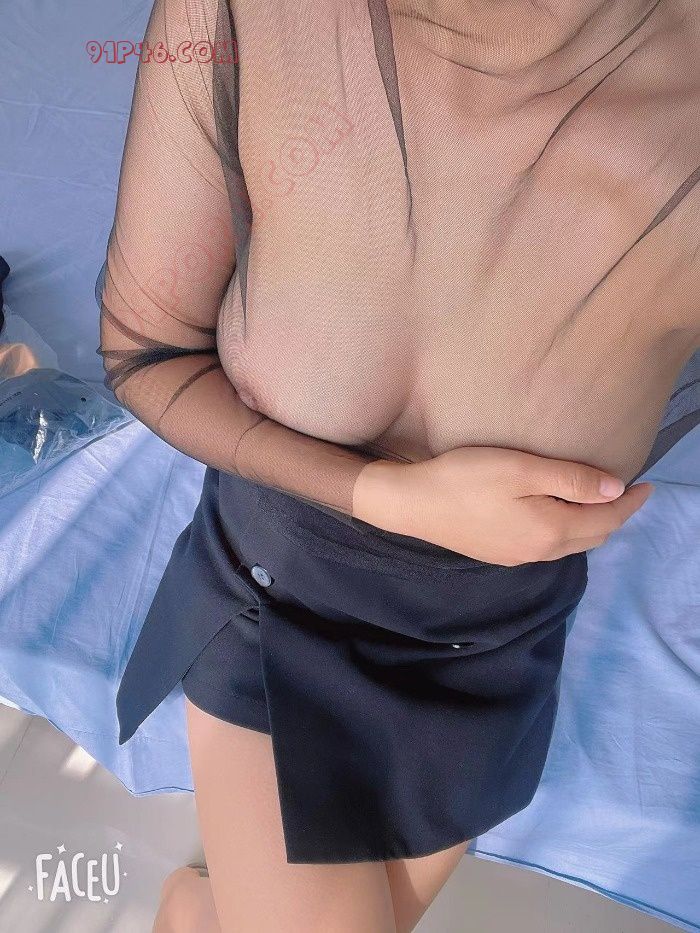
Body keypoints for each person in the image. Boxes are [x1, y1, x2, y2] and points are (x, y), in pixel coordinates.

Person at [95, 0, 699, 929]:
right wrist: (389, 495)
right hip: (275, 602)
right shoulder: (248, 14)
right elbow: (147, 351)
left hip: (488, 651)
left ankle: (196, 911)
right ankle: (194, 906)